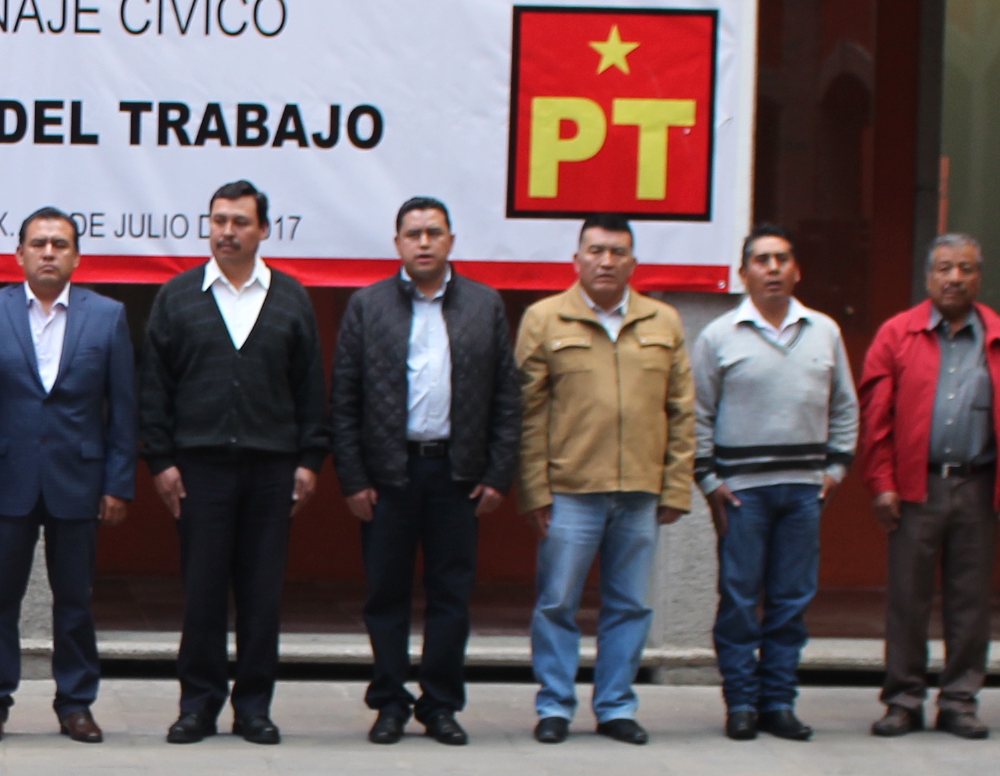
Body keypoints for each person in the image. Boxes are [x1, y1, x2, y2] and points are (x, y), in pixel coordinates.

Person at [141, 180, 327, 744]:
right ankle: (198, 704)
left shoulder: (292, 298)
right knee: (201, 592)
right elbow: (155, 387)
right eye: (219, 220)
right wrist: (161, 461)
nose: (227, 231)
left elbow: (310, 387)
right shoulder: (177, 297)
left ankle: (254, 707)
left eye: (240, 221)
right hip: (199, 471)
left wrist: (310, 459)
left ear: (264, 229)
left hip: (272, 469)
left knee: (261, 593)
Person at [331, 195, 519, 745]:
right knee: (385, 595)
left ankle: (440, 704)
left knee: (451, 596)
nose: (424, 242)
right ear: (397, 244)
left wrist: (498, 473)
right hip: (389, 476)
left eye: (434, 232)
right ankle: (389, 701)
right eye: (413, 234)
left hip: (457, 477)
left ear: (451, 241)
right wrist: (354, 478)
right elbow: (344, 400)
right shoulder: (368, 306)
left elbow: (508, 398)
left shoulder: (485, 306)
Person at [512, 216, 695, 745]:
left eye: (618, 252)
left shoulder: (664, 322)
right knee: (556, 604)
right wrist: (534, 490)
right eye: (596, 250)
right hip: (571, 491)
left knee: (631, 605)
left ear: (634, 262)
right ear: (577, 259)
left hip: (641, 492)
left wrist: (676, 486)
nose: (607, 261)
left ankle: (616, 705)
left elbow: (682, 411)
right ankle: (554, 706)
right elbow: (528, 414)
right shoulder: (545, 319)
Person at [0, 207, 137, 743]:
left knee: (76, 598)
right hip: (4, 476)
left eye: (60, 244)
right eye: (38, 243)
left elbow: (125, 408)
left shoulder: (107, 316)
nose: (48, 252)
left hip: (78, 479)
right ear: (18, 254)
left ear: (77, 256)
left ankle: (76, 703)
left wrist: (118, 481)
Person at [859, 233, 1000, 739]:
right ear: (927, 276)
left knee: (970, 600)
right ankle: (904, 699)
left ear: (980, 276)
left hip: (979, 486)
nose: (954, 278)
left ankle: (960, 699)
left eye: (965, 268)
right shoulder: (898, 334)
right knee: (907, 599)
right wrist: (882, 483)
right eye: (943, 269)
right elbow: (878, 419)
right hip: (917, 487)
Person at [693, 223, 859, 742]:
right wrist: (709, 479)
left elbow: (845, 407)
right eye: (761, 260)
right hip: (742, 493)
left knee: (791, 601)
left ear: (797, 270)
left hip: (804, 491)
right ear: (743, 273)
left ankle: (778, 703)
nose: (772, 269)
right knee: (740, 600)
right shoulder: (719, 336)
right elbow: (697, 414)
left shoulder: (824, 331)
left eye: (781, 259)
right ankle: (740, 702)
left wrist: (834, 470)